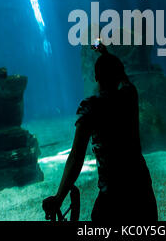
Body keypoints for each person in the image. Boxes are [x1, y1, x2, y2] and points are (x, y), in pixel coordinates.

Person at [43, 41, 158, 222]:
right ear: (119, 75)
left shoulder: (91, 107)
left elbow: (76, 156)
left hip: (113, 195)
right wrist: (105, 53)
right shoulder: (130, 96)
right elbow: (125, 78)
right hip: (142, 189)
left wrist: (59, 197)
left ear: (96, 77)